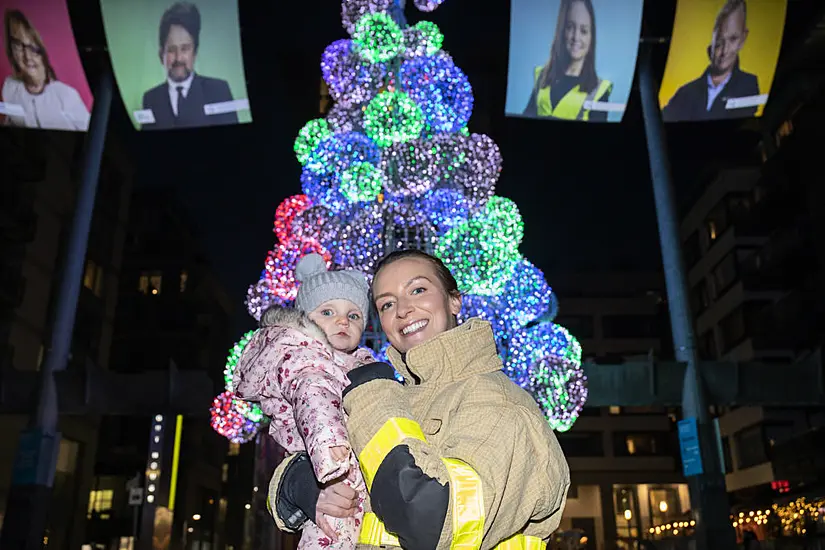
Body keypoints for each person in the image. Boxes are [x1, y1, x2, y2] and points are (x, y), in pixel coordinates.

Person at [268, 249, 570, 550]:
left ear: (454, 300)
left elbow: (433, 522)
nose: (403, 310)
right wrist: (302, 485)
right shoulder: (398, 395)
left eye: (418, 290)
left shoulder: (500, 405)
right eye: (387, 303)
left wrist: (373, 394)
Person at [233, 254, 376, 550]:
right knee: (333, 534)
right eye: (328, 312)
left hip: (343, 471)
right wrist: (330, 452)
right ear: (305, 319)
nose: (342, 321)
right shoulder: (307, 358)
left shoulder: (348, 363)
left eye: (354, 315)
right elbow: (315, 398)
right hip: (328, 466)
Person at [140, 2, 238, 129]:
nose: (178, 58)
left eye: (185, 49)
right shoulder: (151, 99)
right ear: (161, 55)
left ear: (195, 52)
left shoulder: (219, 91)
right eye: (171, 50)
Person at [662, 0, 760, 122]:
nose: (724, 50)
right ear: (712, 39)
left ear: (743, 38)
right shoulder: (685, 92)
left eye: (733, 39)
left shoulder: (748, 85)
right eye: (719, 40)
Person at [523, 0, 612, 122]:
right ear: (562, 30)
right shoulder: (542, 77)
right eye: (570, 27)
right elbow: (523, 124)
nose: (576, 37)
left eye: (584, 31)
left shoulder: (600, 90)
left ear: (592, 37)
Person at [1, 9, 90, 130]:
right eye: (18, 45)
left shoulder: (66, 95)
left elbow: (91, 137)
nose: (27, 56)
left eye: (33, 48)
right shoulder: (10, 86)